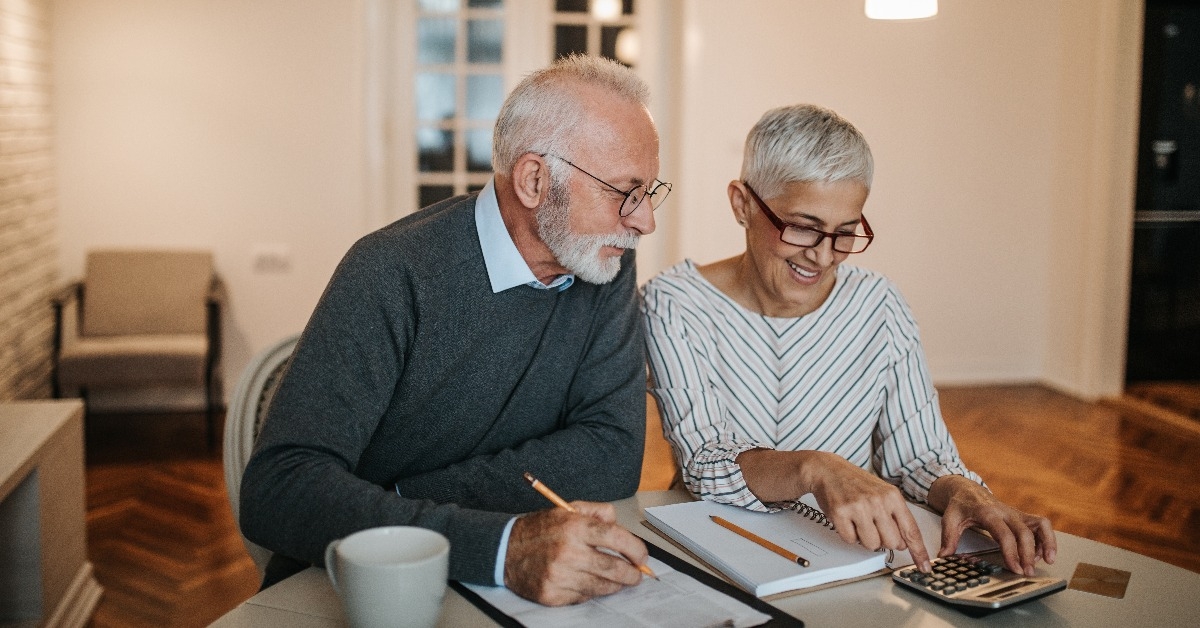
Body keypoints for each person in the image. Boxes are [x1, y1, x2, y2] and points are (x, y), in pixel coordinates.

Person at [240, 54, 670, 606]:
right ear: (535, 180)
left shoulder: (603, 263)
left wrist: (400, 501)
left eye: (651, 193)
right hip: (362, 588)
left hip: (494, 577)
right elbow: (279, 489)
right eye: (624, 192)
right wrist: (499, 544)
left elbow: (611, 456)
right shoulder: (391, 271)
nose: (644, 222)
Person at [641, 104, 1056, 577]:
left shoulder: (879, 305)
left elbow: (918, 456)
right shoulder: (674, 303)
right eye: (802, 227)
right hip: (719, 550)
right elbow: (705, 462)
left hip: (851, 555)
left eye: (844, 233)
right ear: (743, 204)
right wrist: (814, 468)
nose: (822, 256)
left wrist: (965, 491)